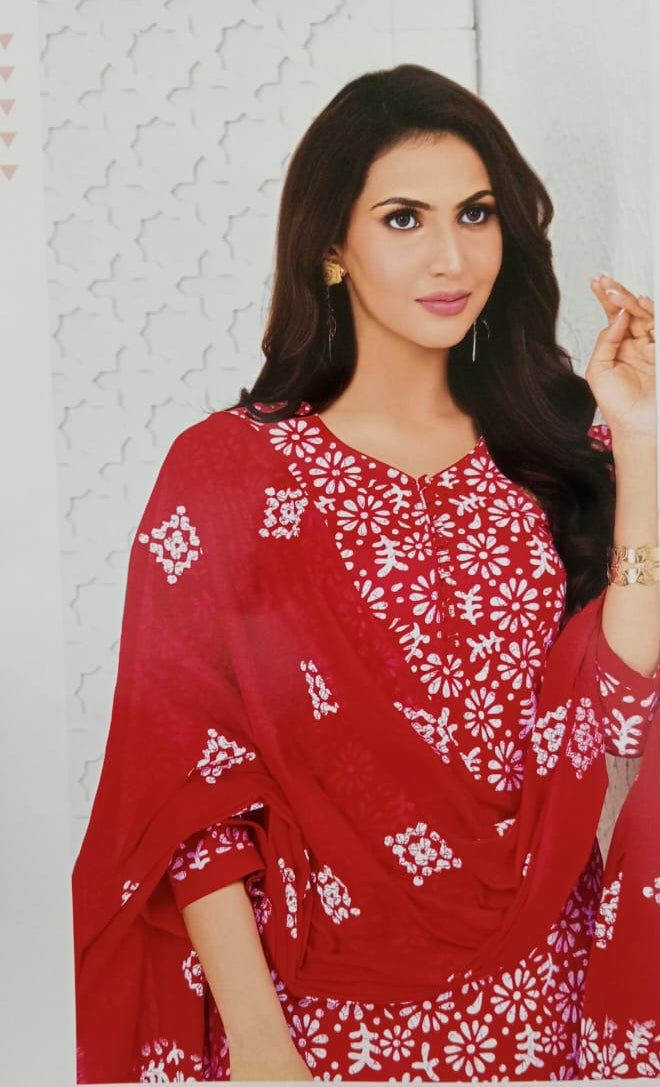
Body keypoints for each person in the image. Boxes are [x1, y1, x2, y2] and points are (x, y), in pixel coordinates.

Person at [72, 64, 659, 1083]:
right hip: (313, 1013)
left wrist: (641, 444)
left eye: (475, 213)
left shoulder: (558, 449)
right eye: (403, 218)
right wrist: (258, 1041)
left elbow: (614, 709)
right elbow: (191, 789)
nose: (451, 255)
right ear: (331, 248)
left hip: (535, 997)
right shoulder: (229, 476)